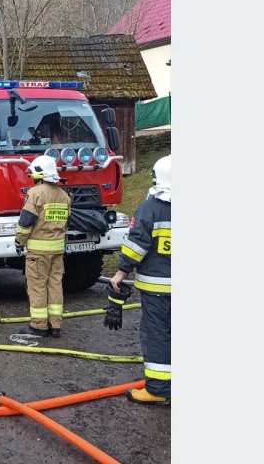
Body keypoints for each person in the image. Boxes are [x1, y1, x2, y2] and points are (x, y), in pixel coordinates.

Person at [106, 155, 172, 405]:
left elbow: (136, 246)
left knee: (158, 335)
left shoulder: (151, 208)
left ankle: (157, 389)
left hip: (158, 289)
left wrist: (121, 272)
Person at [14, 155, 71, 338]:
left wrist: (19, 242)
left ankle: (38, 325)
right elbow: (67, 223)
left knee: (37, 286)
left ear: (38, 174)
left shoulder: (36, 193)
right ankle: (55, 325)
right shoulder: (64, 196)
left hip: (38, 252)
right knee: (55, 285)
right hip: (57, 250)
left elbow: (26, 221)